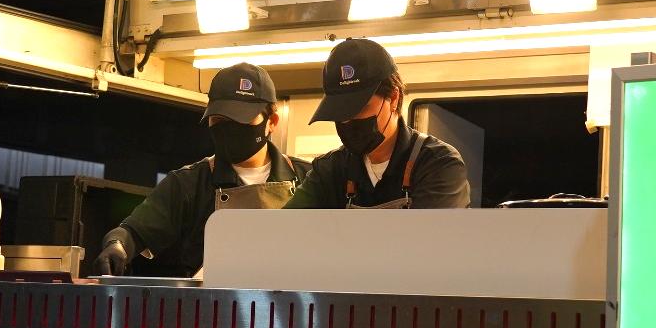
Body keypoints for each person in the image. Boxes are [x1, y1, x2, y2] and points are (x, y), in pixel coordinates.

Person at [95, 62, 304, 276]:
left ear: (272, 122)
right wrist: (117, 245)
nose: (230, 128)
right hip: (209, 297)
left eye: (242, 119)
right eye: (220, 119)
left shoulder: (307, 178)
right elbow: (134, 232)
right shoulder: (187, 184)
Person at [285, 37, 469, 210]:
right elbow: (283, 226)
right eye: (340, 112)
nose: (348, 121)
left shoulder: (437, 164)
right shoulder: (330, 169)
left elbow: (432, 231)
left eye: (359, 108)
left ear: (393, 98)